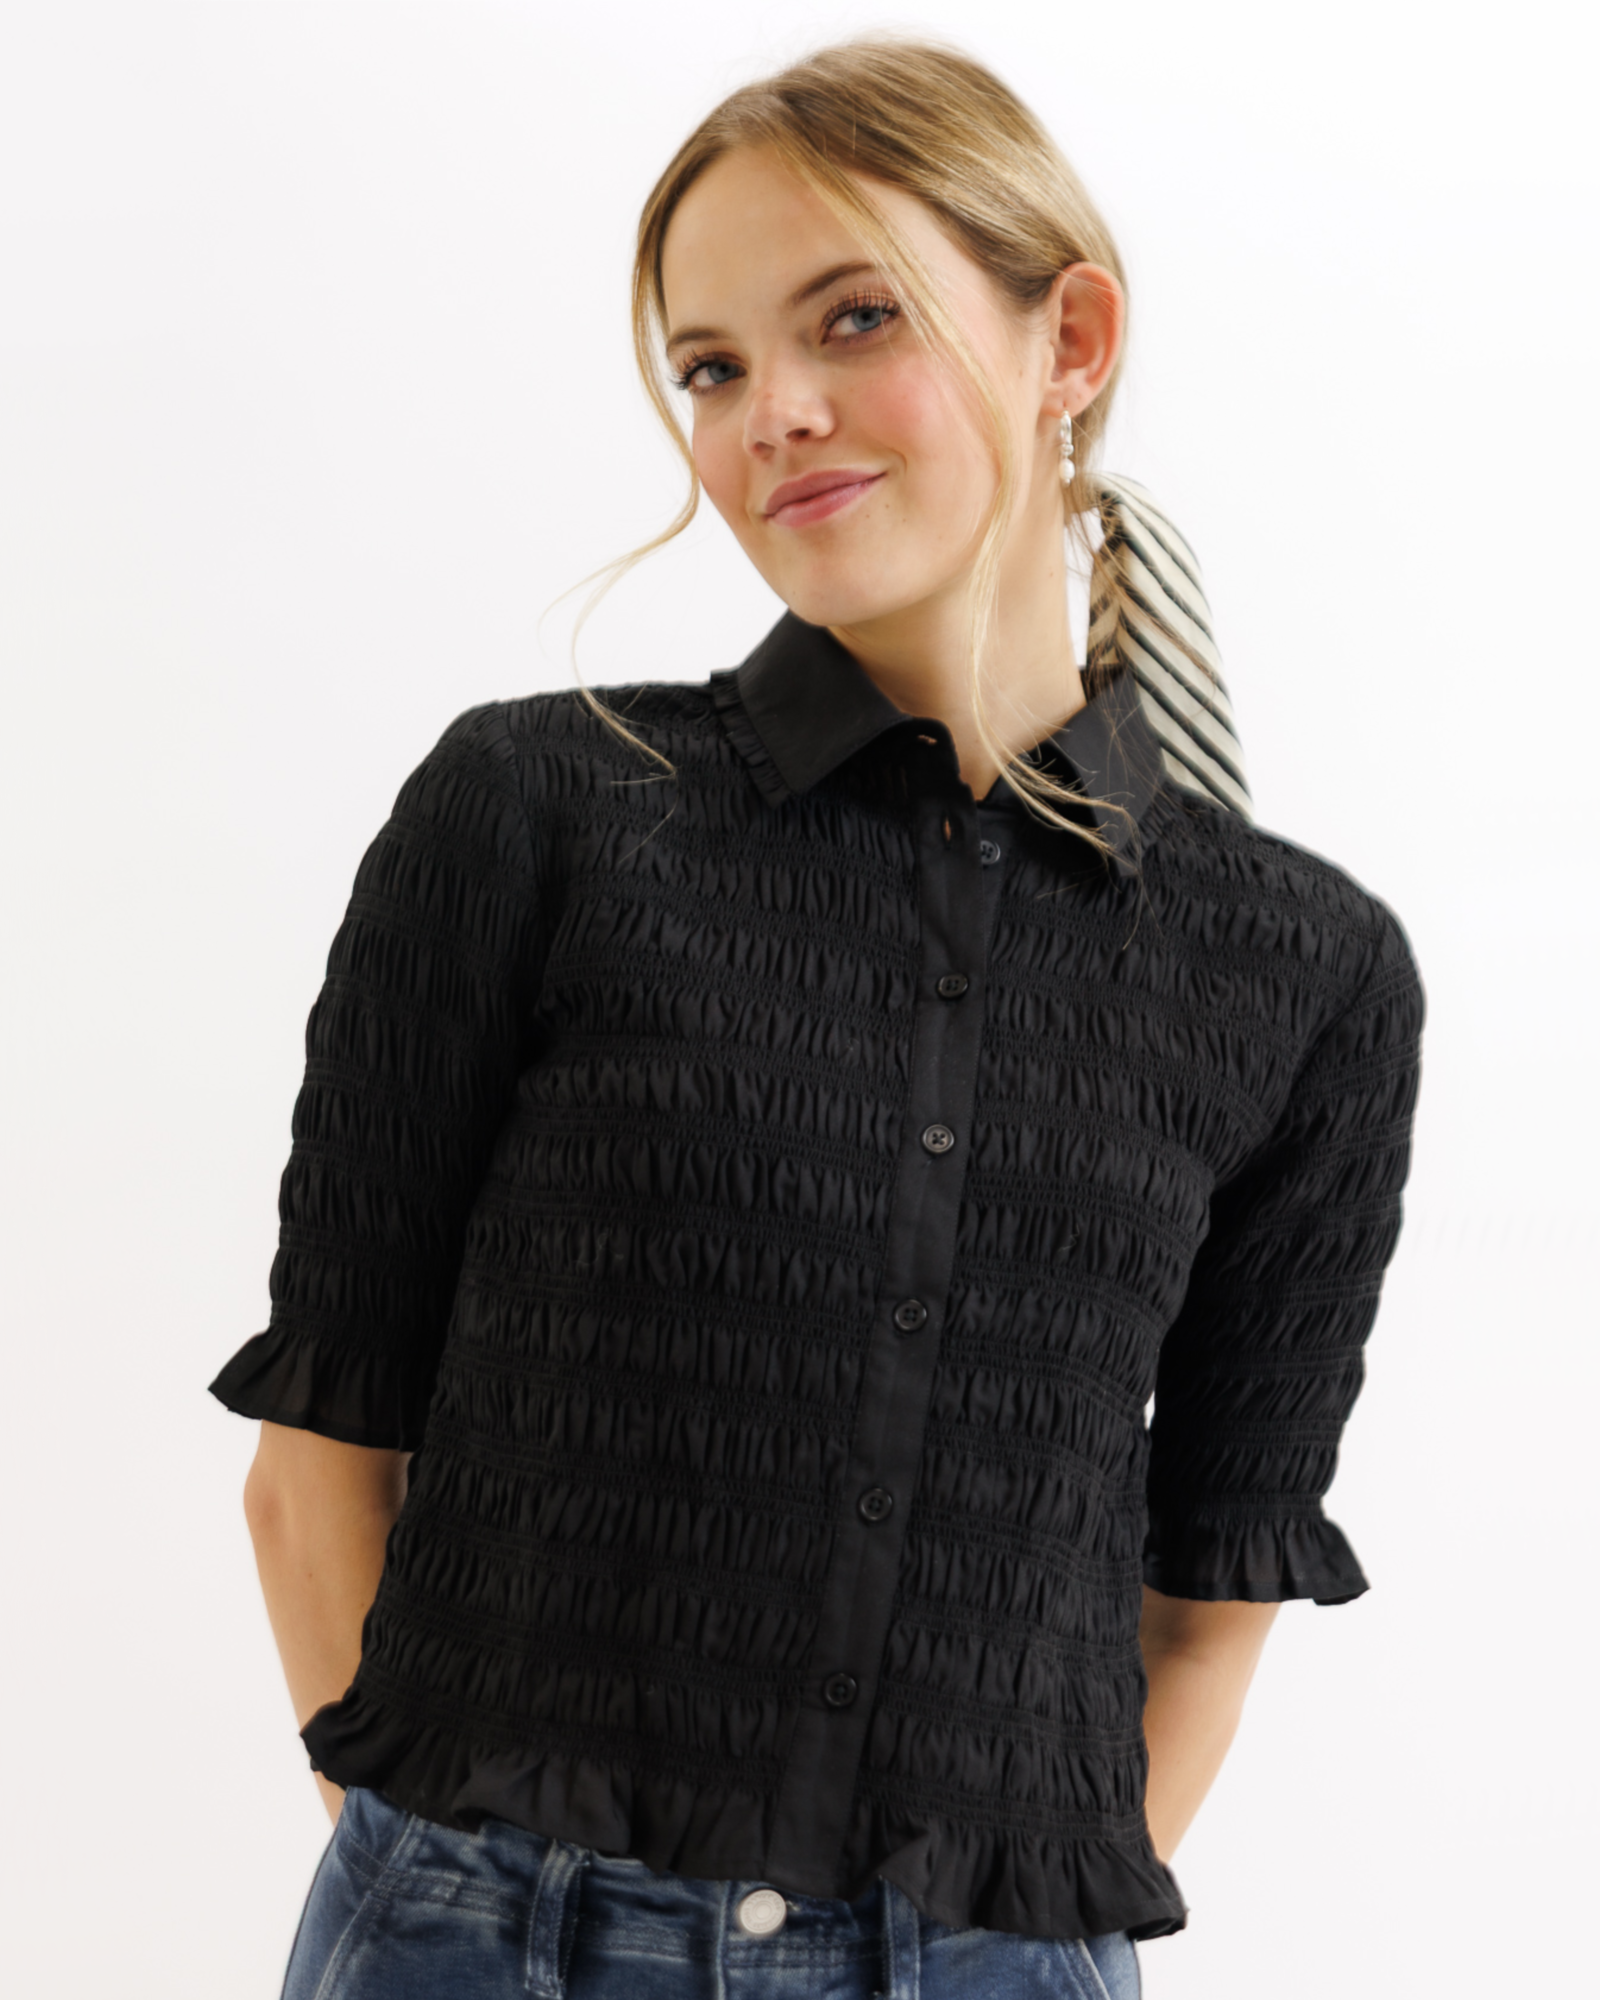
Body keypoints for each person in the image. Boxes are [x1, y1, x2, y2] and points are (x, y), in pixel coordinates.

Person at [211, 37, 1424, 2000]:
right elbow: (317, 1470)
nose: (769, 411)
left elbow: (1207, 1596)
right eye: (708, 366)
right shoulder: (536, 812)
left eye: (852, 319)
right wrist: (453, 1891)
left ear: (1068, 339)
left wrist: (981, 1939)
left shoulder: (1299, 972)